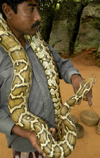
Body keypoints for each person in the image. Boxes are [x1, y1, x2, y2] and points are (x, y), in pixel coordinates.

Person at [0, 0, 93, 158]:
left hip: (54, 132)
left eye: (38, 9)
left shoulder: (37, 41)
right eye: (31, 9)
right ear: (8, 11)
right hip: (25, 147)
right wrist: (27, 133)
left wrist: (75, 76)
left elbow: (61, 64)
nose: (38, 17)